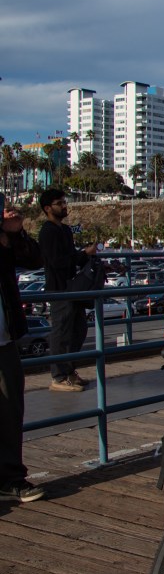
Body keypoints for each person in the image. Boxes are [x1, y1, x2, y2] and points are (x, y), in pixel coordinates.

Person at [0, 205, 46, 503]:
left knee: (9, 411)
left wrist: (15, 233)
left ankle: (10, 478)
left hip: (4, 341)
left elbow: (35, 259)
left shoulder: (5, 240)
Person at [38, 188, 98, 393]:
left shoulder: (64, 230)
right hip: (58, 289)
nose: (64, 206)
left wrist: (85, 257)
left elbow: (71, 258)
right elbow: (58, 262)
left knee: (78, 330)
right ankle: (58, 376)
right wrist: (83, 254)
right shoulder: (48, 231)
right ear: (48, 208)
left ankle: (69, 370)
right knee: (61, 332)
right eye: (59, 203)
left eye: (65, 202)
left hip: (72, 288)